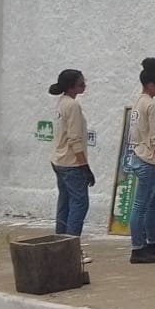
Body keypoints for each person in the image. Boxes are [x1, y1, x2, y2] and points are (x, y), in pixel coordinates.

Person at [125, 57, 155, 265]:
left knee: (152, 203)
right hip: (148, 160)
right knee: (141, 205)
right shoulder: (152, 106)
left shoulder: (138, 102)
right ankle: (138, 247)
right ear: (151, 85)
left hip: (138, 156)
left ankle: (152, 241)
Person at [49, 68, 94, 252]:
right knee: (79, 204)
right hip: (71, 162)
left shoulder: (62, 103)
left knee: (65, 203)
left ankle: (59, 244)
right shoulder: (73, 106)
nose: (84, 86)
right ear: (71, 87)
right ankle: (71, 249)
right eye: (81, 84)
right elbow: (74, 139)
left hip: (58, 160)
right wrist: (85, 167)